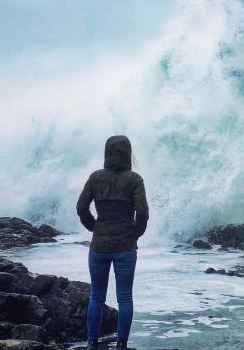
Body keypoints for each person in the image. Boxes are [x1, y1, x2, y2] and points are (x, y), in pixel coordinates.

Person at [76, 135, 149, 350]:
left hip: (99, 246)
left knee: (96, 296)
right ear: (127, 153)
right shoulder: (134, 179)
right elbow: (143, 212)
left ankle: (92, 343)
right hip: (125, 247)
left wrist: (94, 227)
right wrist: (136, 233)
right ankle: (121, 345)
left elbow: (81, 208)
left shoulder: (96, 177)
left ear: (107, 153)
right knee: (125, 298)